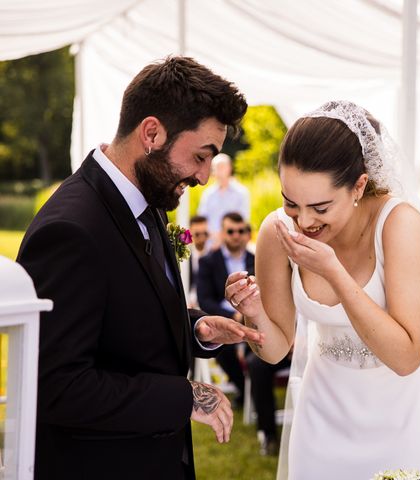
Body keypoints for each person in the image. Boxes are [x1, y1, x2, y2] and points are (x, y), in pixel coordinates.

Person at [16, 56, 264, 480]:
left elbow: (123, 319)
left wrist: (196, 329)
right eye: (200, 156)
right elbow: (57, 386)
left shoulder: (147, 202)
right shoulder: (70, 230)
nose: (205, 176)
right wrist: (181, 396)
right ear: (151, 132)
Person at [226, 101, 420, 480]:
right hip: (324, 415)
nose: (305, 220)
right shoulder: (277, 231)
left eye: (320, 207)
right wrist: (254, 312)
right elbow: (277, 347)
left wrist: (333, 271)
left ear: (359, 185)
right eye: (290, 203)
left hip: (407, 414)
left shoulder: (399, 224)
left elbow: (406, 357)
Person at [197, 212, 253, 408]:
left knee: (258, 349)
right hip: (223, 319)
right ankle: (246, 392)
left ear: (247, 233)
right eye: (230, 231)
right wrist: (232, 316)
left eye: (241, 231)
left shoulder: (257, 260)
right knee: (222, 348)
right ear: (222, 233)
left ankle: (255, 389)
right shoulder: (208, 262)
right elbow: (205, 301)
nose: (236, 235)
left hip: (253, 320)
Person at [197, 153, 250, 249]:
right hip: (211, 246)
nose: (218, 170)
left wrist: (223, 238)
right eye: (215, 167)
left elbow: (243, 219)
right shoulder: (208, 194)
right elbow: (202, 220)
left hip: (233, 245)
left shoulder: (241, 192)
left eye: (221, 167)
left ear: (230, 168)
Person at [187, 215, 209, 308]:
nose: (202, 237)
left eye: (205, 233)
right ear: (190, 233)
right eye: (197, 234)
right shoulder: (186, 258)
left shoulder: (215, 257)